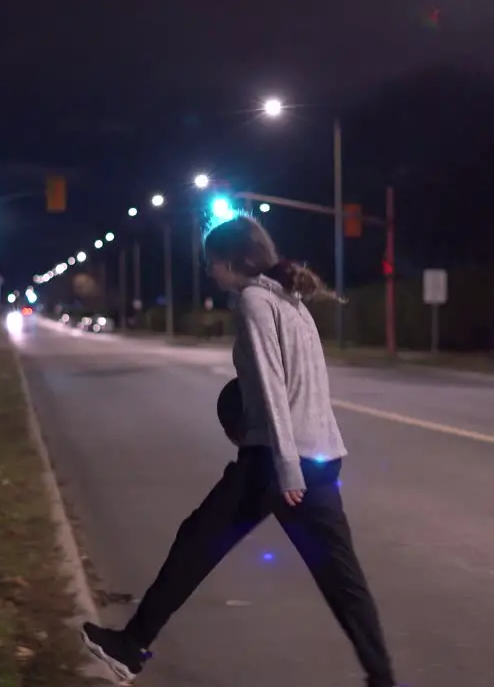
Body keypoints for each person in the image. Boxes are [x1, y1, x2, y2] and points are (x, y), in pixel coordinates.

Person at [80, 215, 398, 686]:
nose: (211, 273)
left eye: (213, 263)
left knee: (197, 541)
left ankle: (129, 647)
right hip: (322, 458)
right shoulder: (292, 302)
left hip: (276, 461)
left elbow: (272, 387)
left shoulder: (254, 301)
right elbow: (306, 387)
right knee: (342, 581)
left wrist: (286, 468)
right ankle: (383, 678)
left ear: (233, 261)